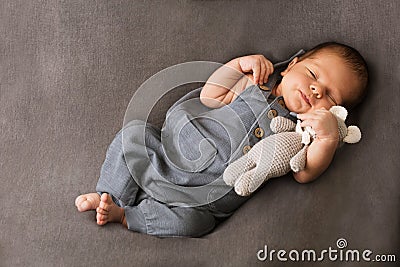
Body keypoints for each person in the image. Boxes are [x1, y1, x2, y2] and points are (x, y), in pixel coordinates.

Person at [75, 42, 368, 237]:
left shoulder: (304, 134)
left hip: (201, 201)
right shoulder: (254, 84)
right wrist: (238, 66)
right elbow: (209, 96)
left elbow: (305, 172)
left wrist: (327, 138)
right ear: (291, 65)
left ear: (337, 113)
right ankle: (110, 195)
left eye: (330, 96)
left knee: (196, 225)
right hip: (168, 155)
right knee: (133, 135)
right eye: (313, 74)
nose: (316, 90)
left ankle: (127, 217)